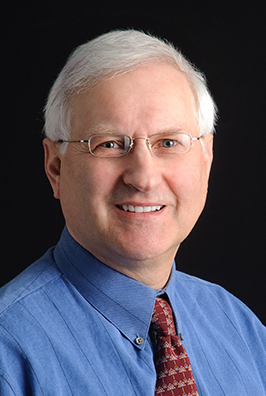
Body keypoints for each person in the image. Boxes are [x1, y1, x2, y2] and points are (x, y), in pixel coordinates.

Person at [0, 30, 265, 396]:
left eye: (169, 142)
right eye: (109, 144)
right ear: (56, 168)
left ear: (206, 159)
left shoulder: (242, 329)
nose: (143, 177)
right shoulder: (8, 354)